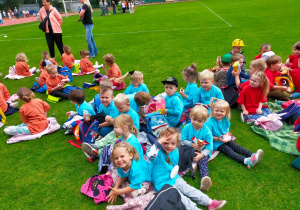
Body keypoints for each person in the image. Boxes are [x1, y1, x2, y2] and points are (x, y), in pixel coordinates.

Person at [147, 127, 226, 210]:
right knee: (181, 198)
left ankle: (209, 202)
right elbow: (151, 155)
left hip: (174, 177)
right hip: (162, 183)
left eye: (173, 143)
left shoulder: (175, 151)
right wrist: (159, 142)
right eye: (166, 143)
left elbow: (174, 166)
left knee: (189, 189)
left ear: (177, 143)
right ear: (161, 141)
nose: (169, 146)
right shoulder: (156, 152)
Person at [206, 98, 264, 169]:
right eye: (217, 110)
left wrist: (227, 134)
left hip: (224, 138)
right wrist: (218, 139)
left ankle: (252, 155)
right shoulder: (209, 122)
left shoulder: (225, 119)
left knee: (235, 146)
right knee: (228, 150)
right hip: (215, 142)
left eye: (222, 111)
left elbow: (226, 128)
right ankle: (246, 161)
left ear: (226, 113)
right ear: (212, 110)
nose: (219, 113)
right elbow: (207, 137)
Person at [181, 105, 213, 191]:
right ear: (190, 117)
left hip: (203, 151)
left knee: (202, 162)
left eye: (199, 121)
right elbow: (183, 139)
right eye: (194, 119)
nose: (195, 122)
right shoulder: (187, 127)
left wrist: (201, 155)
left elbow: (209, 147)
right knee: (182, 153)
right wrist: (191, 144)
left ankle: (204, 179)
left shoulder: (207, 132)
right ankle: (193, 164)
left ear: (204, 121)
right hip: (189, 147)